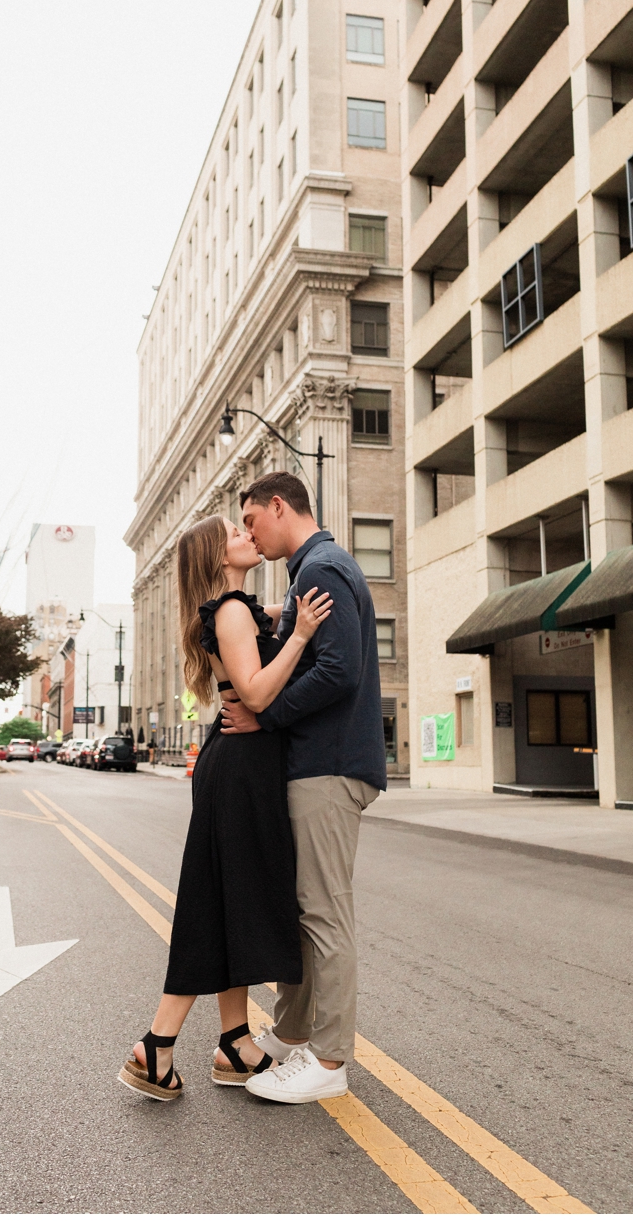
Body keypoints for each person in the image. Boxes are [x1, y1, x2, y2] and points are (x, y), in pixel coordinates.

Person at [119, 512, 331, 1101]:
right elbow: (259, 691)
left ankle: (234, 1041)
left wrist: (286, 620)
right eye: (235, 535)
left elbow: (262, 645)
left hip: (238, 766)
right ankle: (156, 1047)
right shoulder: (232, 612)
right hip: (240, 771)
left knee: (229, 901)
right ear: (218, 555)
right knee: (217, 904)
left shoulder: (235, 608)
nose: (248, 537)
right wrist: (301, 637)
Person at [222, 471, 386, 1104]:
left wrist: (266, 715)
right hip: (319, 762)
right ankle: (294, 1036)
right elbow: (322, 656)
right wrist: (278, 617)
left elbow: (340, 672)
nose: (250, 534)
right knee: (306, 909)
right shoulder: (313, 572)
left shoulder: (321, 568)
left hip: (330, 764)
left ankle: (330, 1059)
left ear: (279, 506)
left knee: (324, 912)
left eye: (253, 521)